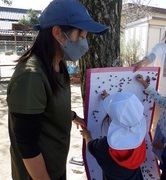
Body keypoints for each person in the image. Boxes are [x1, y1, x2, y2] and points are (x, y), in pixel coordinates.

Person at [6, 0, 108, 179]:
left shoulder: (58, 66)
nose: (84, 43)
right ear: (58, 32)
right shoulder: (31, 76)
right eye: (81, 36)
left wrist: (74, 117)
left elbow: (47, 109)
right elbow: (27, 144)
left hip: (55, 167)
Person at [80, 91, 147, 180]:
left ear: (111, 119)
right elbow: (127, 113)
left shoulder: (104, 146)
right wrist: (109, 101)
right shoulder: (139, 140)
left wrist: (87, 135)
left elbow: (90, 146)